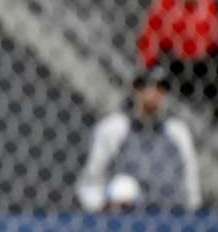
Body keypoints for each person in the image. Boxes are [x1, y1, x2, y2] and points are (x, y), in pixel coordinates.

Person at [76, 67, 202, 211]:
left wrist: (191, 215)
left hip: (169, 216)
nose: (152, 92)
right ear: (135, 90)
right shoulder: (114, 127)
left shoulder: (178, 132)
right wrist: (102, 207)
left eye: (160, 87)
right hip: (124, 218)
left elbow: (191, 186)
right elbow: (91, 180)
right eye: (144, 85)